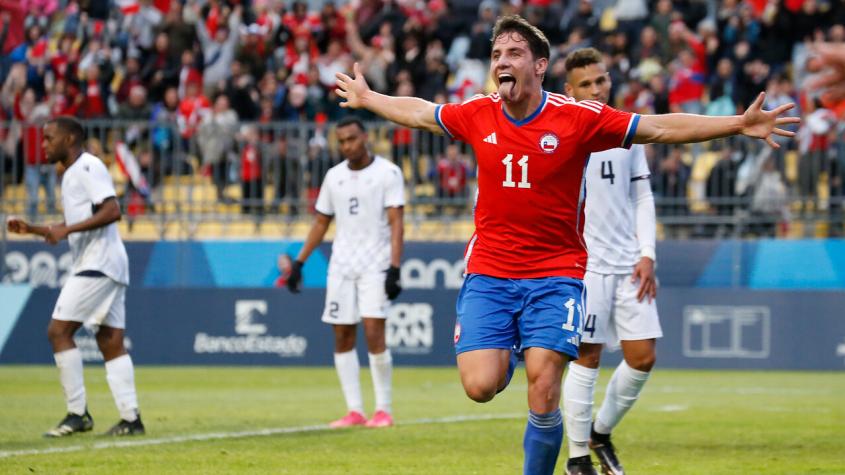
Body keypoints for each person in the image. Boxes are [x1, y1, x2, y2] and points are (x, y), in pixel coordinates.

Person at [334, 15, 797, 474]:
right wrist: (369, 97)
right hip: (490, 272)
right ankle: (514, 352)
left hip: (556, 273)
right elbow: (420, 113)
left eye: (514, 53)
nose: (502, 62)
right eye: (496, 54)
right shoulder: (478, 112)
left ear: (539, 66)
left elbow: (657, 127)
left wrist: (736, 124)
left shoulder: (578, 118)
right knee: (480, 385)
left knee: (545, 386)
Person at [6, 116, 144, 437]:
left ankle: (77, 413)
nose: (43, 145)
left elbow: (112, 211)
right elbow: (78, 224)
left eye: (48, 138)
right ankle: (131, 419)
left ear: (69, 140)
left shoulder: (86, 166)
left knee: (58, 331)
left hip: (99, 262)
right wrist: (35, 229)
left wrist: (65, 228)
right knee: (109, 341)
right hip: (107, 262)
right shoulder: (70, 175)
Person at [561, 47, 660, 475]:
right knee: (587, 356)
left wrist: (647, 252)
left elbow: (641, 195)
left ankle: (600, 431)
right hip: (585, 265)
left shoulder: (627, 130)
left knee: (642, 358)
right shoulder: (562, 133)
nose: (597, 89)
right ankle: (577, 457)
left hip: (627, 263)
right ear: (570, 91)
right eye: (586, 84)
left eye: (601, 80)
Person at [286, 116, 405, 429]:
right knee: (341, 334)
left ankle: (383, 409)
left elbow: (397, 223)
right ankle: (354, 410)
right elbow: (321, 223)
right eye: (342, 141)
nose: (347, 145)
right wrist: (300, 263)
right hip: (341, 265)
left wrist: (394, 267)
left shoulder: (388, 173)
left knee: (374, 331)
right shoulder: (333, 176)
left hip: (375, 264)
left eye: (352, 138)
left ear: (365, 137)